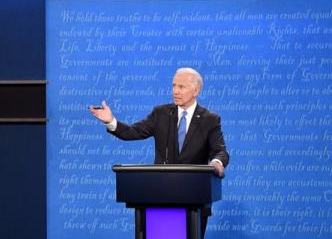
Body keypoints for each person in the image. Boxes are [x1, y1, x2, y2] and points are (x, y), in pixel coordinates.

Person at [88, 67, 228, 175]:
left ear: (196, 91)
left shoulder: (209, 119)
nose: (175, 91)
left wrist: (216, 162)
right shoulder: (161, 114)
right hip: (162, 188)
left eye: (181, 87)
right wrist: (111, 121)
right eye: (174, 85)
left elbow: (220, 151)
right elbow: (132, 132)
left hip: (195, 192)